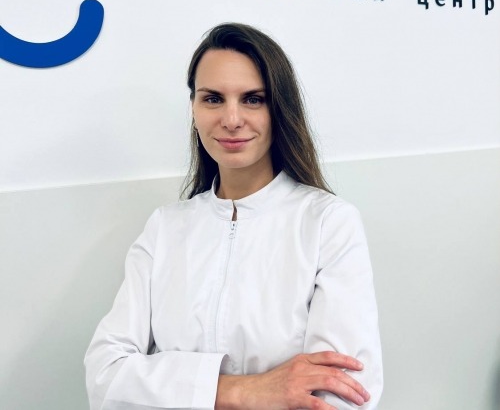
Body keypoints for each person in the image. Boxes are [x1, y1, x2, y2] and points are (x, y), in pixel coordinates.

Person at [84, 23, 383, 409]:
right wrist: (250, 391)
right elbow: (105, 376)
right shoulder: (165, 227)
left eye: (253, 99)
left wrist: (171, 386)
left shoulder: (328, 223)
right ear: (194, 109)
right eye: (213, 99)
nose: (231, 119)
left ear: (279, 109)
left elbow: (341, 394)